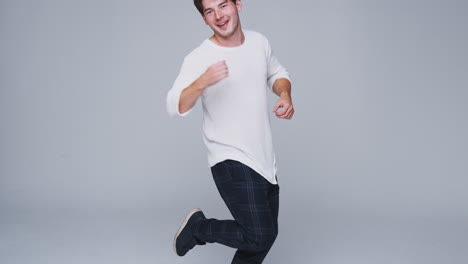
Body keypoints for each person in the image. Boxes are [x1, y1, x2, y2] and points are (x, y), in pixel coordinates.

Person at [166, 0, 294, 263]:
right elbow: (174, 104)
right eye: (209, 11)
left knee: (264, 237)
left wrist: (285, 94)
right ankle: (198, 228)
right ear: (204, 19)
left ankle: (199, 229)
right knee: (259, 235)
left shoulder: (259, 42)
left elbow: (277, 72)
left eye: (223, 5)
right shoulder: (200, 57)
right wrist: (203, 81)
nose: (218, 16)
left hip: (264, 158)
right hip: (229, 158)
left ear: (238, 4)